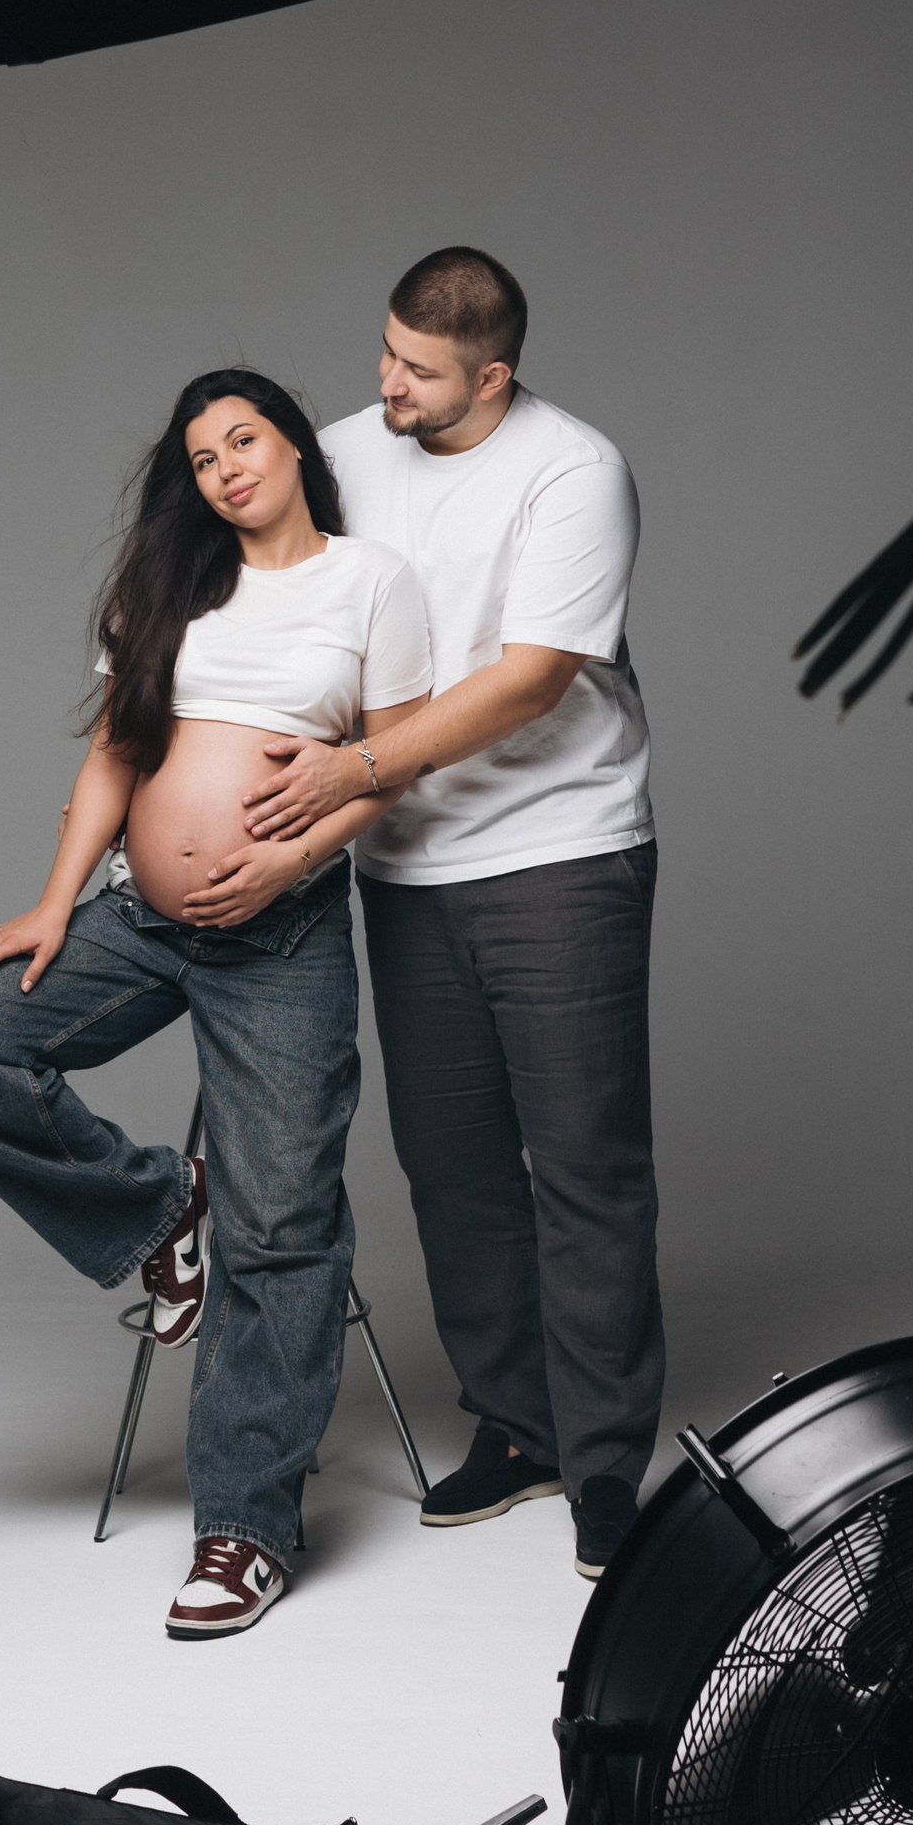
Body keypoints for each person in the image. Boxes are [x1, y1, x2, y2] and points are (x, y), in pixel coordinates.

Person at [0, 369, 430, 1638]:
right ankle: (162, 1210)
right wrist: (52, 904)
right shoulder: (170, 585)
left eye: (245, 440)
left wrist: (290, 862)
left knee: (284, 1225)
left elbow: (392, 764)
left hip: (283, 934)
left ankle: (243, 1529)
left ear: (295, 448)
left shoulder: (371, 583)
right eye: (203, 457)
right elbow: (116, 753)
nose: (227, 468)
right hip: (138, 917)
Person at [242, 249, 658, 1578]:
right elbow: (267, 585)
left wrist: (354, 767)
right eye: (385, 353)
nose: (388, 384)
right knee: (455, 1168)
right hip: (406, 867)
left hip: (560, 853)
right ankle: (521, 1427)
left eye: (419, 370)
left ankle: (607, 1467)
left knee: (586, 1169)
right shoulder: (345, 452)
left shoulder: (573, 471)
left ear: (494, 376)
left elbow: (532, 679)